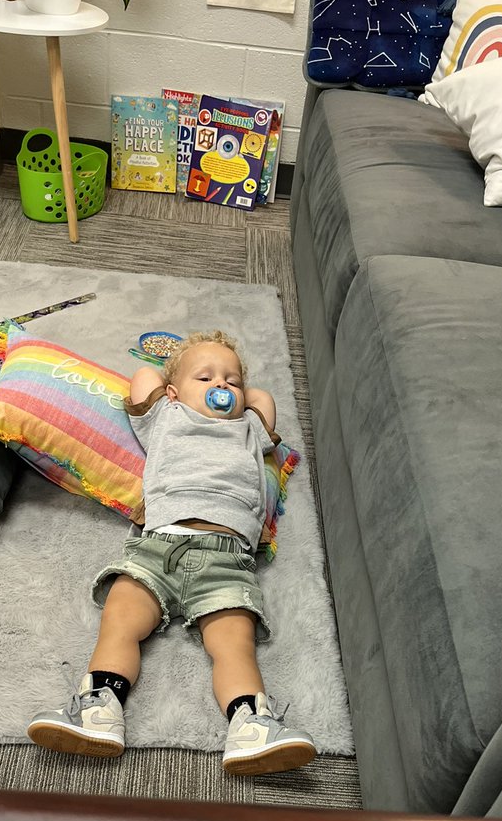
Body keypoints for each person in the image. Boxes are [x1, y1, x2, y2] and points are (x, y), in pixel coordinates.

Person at [27, 330, 316, 776]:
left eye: (231, 380)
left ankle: (250, 725)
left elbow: (263, 397)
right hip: (158, 548)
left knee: (234, 645)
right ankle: (99, 709)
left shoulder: (248, 430)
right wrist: (175, 372)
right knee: (121, 620)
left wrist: (226, 378)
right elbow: (143, 378)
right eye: (206, 377)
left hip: (227, 558)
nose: (222, 387)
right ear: (174, 392)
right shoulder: (166, 417)